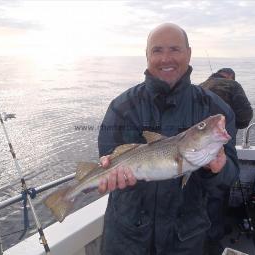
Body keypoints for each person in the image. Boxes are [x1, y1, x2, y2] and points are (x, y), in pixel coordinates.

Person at [97, 23, 240, 255]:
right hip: (127, 237)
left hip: (185, 239)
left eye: (175, 49)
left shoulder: (215, 109)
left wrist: (218, 169)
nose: (166, 58)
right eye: (157, 50)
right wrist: (109, 169)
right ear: (146, 55)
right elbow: (110, 158)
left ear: (189, 53)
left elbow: (229, 178)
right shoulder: (122, 107)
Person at [200, 69, 253, 255]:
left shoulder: (201, 86)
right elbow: (245, 118)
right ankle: (213, 238)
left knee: (202, 192)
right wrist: (230, 123)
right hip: (221, 146)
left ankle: (203, 233)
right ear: (230, 77)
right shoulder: (233, 85)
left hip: (198, 148)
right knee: (219, 191)